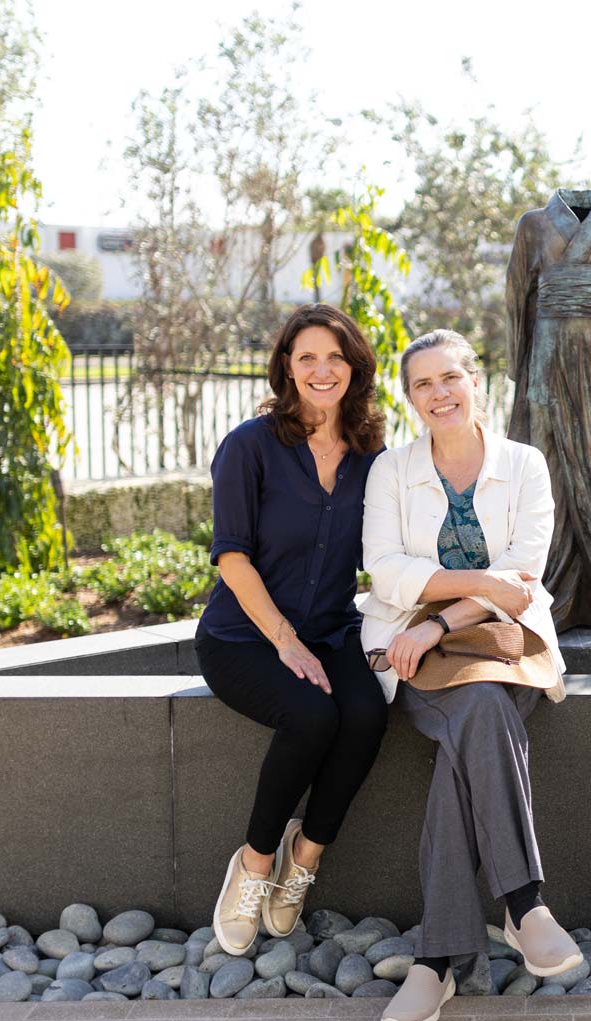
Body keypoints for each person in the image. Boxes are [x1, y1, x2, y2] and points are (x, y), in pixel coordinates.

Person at [362, 329, 580, 1021]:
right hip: (409, 647)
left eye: (451, 376)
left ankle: (438, 960)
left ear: (477, 381)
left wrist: (440, 619)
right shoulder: (392, 470)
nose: (440, 393)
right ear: (409, 397)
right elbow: (386, 571)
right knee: (479, 711)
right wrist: (465, 591)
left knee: (480, 708)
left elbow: (523, 575)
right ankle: (524, 904)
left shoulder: (525, 464)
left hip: (498, 640)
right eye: (423, 384)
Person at [195, 304, 389, 957]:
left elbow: (392, 549)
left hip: (334, 629)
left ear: (354, 365)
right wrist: (283, 638)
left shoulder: (372, 455)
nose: (321, 369)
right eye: (306, 357)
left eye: (334, 356)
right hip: (244, 637)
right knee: (311, 715)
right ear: (285, 367)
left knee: (365, 712)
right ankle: (253, 864)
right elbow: (232, 555)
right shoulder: (250, 445)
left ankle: (301, 858)